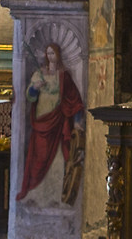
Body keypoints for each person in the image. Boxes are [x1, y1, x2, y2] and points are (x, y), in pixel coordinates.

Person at [17, 36, 86, 204]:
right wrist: (35, 88)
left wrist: (77, 122)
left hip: (57, 121)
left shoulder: (63, 76)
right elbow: (30, 97)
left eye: (53, 53)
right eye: (48, 53)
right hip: (41, 120)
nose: (50, 57)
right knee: (38, 156)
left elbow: (74, 100)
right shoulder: (38, 74)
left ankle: (54, 194)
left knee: (56, 158)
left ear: (58, 55)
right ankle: (37, 194)